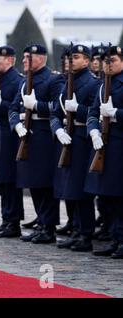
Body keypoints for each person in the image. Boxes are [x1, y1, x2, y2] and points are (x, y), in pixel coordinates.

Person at [9, 44, 64, 244]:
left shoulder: (54, 79)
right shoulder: (24, 82)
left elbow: (59, 107)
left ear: (40, 58)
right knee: (32, 182)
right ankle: (41, 222)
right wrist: (16, 125)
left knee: (45, 184)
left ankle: (48, 227)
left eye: (28, 57)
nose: (24, 61)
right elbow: (14, 108)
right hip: (26, 135)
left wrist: (37, 106)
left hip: (44, 137)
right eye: (23, 57)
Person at [50, 44, 100, 252]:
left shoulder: (92, 83)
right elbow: (55, 111)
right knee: (70, 187)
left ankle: (86, 233)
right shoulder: (66, 82)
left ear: (87, 61)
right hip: (67, 138)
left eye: (76, 57)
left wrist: (78, 109)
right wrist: (57, 130)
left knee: (81, 189)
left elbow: (95, 112)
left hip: (82, 139)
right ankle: (77, 229)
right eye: (69, 57)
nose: (70, 61)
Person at [85, 45, 123, 259]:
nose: (108, 65)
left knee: (118, 196)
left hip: (119, 146)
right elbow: (93, 111)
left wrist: (116, 113)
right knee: (106, 195)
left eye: (113, 61)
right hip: (102, 145)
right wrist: (93, 131)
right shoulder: (101, 86)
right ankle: (114, 237)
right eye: (106, 61)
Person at [0, 45, 25, 238]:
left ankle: (13, 221)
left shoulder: (17, 80)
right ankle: (5, 219)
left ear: (10, 60)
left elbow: (18, 107)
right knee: (1, 180)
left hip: (9, 135)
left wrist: (1, 104)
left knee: (9, 180)